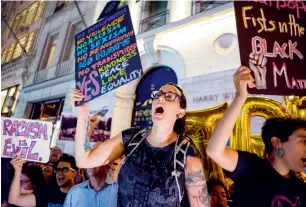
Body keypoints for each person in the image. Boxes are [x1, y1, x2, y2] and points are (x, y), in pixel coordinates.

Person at [71, 83, 210, 207]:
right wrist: (83, 112)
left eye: (169, 96)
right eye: (158, 95)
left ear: (180, 113)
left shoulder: (187, 155)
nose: (160, 98)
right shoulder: (132, 138)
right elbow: (84, 159)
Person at [207, 66, 306, 207]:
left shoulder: (301, 188)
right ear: (277, 142)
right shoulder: (251, 168)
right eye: (303, 141)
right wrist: (240, 97)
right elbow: (214, 151)